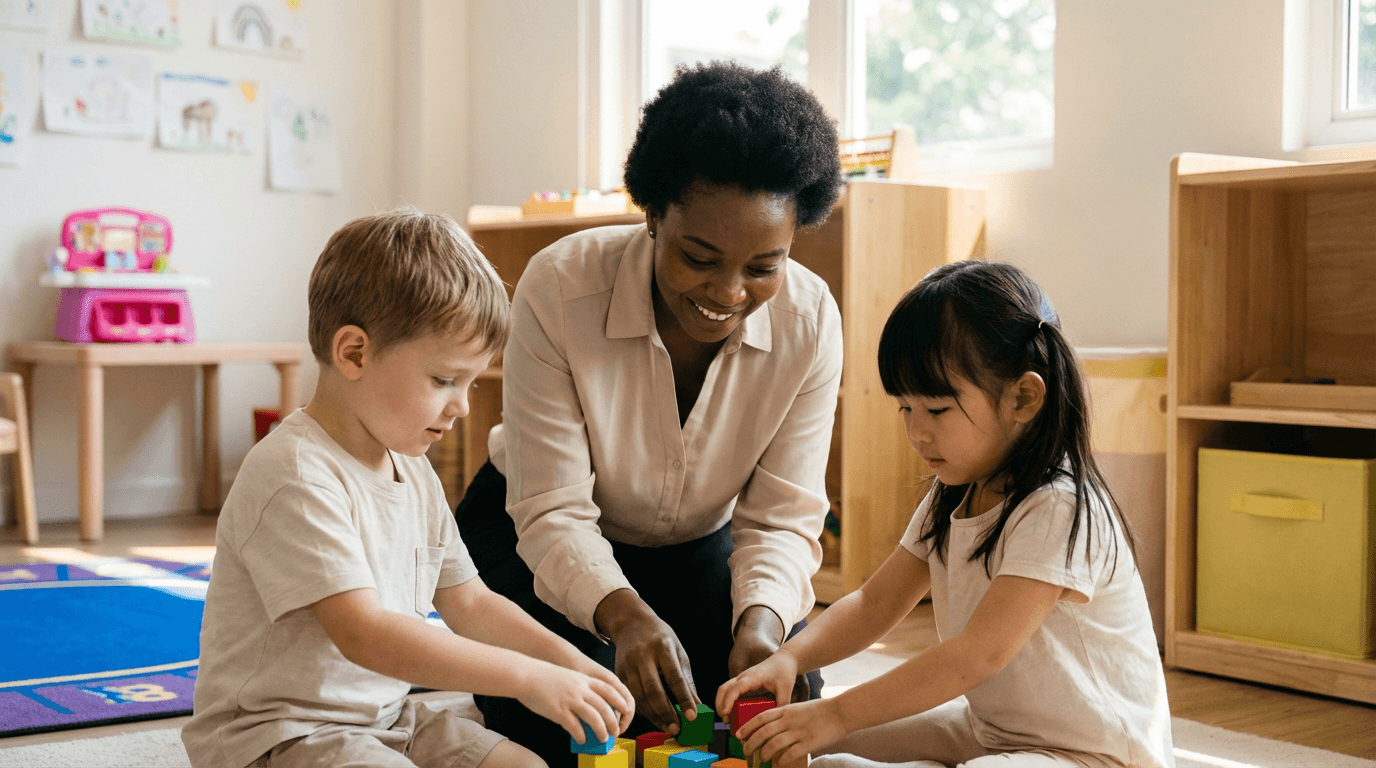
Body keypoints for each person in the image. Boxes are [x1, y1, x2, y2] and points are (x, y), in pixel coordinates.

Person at [455, 61, 844, 766]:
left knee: (784, 703)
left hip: (696, 543)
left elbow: (783, 515)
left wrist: (762, 624)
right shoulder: (559, 286)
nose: (728, 293)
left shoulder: (811, 319)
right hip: (530, 528)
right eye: (700, 257)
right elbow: (551, 512)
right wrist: (624, 615)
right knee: (580, 717)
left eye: (763, 266)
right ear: (653, 216)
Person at [182, 209, 633, 768]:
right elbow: (366, 634)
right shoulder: (295, 473)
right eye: (444, 380)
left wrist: (568, 662)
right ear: (354, 353)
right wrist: (525, 677)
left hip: (386, 723)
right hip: (277, 736)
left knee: (525, 765)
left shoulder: (412, 469)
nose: (463, 406)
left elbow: (469, 602)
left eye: (470, 382)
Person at [718, 260, 1175, 768]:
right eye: (905, 409)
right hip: (994, 733)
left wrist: (838, 715)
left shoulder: (1058, 505)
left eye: (935, 411)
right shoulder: (954, 491)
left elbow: (977, 654)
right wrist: (789, 658)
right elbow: (874, 602)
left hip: (1096, 756)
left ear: (1023, 398)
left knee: (831, 742)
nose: (917, 433)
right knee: (805, 747)